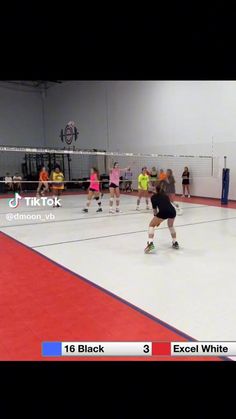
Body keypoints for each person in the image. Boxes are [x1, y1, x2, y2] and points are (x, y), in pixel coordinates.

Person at [144, 183, 179, 253]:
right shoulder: (165, 195)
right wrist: (158, 220)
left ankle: (150, 244)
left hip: (164, 212)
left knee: (151, 225)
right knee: (171, 226)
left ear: (154, 189)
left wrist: (157, 221)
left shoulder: (153, 197)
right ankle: (175, 242)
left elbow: (155, 210)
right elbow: (167, 204)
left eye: (151, 187)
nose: (149, 187)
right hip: (172, 211)